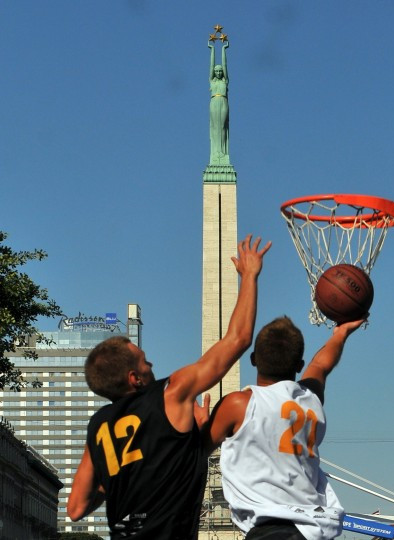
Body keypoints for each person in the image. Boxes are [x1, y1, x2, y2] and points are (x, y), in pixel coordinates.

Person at [67, 234, 271, 540]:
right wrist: (250, 277)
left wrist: (117, 478)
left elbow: (76, 506)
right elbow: (238, 339)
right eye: (145, 361)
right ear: (135, 378)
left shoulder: (99, 426)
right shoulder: (170, 393)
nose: (152, 365)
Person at [203, 315, 365, 540]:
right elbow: (320, 365)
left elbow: (195, 452)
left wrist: (200, 427)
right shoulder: (310, 400)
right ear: (299, 365)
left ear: (253, 359)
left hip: (269, 531)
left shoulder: (239, 404)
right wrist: (341, 333)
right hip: (312, 529)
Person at [208, 40, 229, 164]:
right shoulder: (212, 81)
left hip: (223, 101)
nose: (219, 72)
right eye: (217, 71)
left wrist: (223, 50)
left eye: (220, 71)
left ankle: (222, 152)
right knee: (215, 127)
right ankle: (215, 153)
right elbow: (211, 66)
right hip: (214, 101)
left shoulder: (225, 81)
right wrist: (212, 50)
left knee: (222, 127)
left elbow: (225, 65)